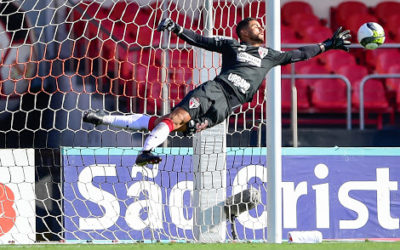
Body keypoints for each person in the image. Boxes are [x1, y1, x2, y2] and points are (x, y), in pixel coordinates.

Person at [83, 17, 351, 166]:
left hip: (225, 110)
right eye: (255, 25)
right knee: (176, 118)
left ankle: (104, 119)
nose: (261, 28)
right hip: (215, 90)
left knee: (167, 123)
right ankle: (144, 152)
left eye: (260, 25)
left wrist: (327, 45)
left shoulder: (270, 55)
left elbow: (300, 53)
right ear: (243, 31)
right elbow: (202, 40)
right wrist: (177, 29)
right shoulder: (232, 46)